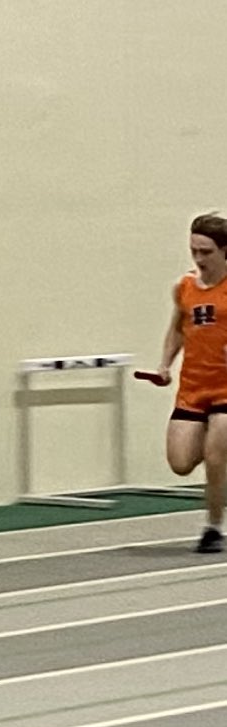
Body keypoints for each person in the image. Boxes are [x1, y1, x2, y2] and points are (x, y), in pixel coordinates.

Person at [155, 212, 227, 553]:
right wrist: (165, 364)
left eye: (206, 252)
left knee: (216, 456)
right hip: (193, 389)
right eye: (194, 250)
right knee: (181, 462)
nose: (199, 259)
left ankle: (213, 527)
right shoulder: (183, 287)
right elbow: (177, 329)